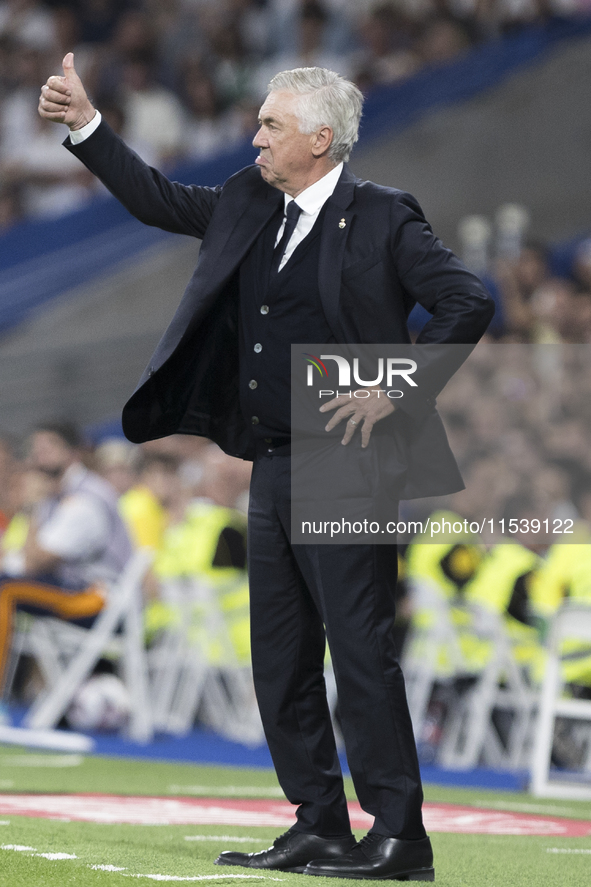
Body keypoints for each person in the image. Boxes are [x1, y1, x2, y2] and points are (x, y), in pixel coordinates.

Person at [38, 55, 494, 881]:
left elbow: (467, 300)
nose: (254, 138)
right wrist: (85, 124)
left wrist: (391, 387)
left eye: (271, 126)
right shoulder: (251, 200)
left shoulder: (385, 216)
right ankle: (317, 821)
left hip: (352, 461)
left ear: (321, 139)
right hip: (275, 460)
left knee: (358, 650)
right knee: (279, 656)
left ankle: (399, 836)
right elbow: (158, 200)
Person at [0, 423, 133, 698]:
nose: (38, 458)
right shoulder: (55, 495)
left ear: (73, 454)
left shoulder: (85, 501)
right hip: (77, 590)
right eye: (34, 450)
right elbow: (25, 558)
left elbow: (36, 561)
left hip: (100, 600)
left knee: (6, 590)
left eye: (47, 449)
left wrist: (31, 507)